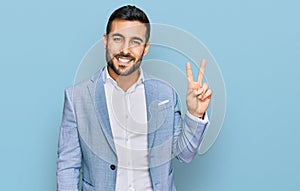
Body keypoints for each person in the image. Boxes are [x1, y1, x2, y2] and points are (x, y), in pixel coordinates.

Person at [57, 5, 212, 191]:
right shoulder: (77, 97)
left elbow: (184, 154)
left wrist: (195, 114)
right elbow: (68, 166)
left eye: (135, 41)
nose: (125, 50)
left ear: (145, 48)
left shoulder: (165, 94)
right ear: (105, 41)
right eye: (117, 39)